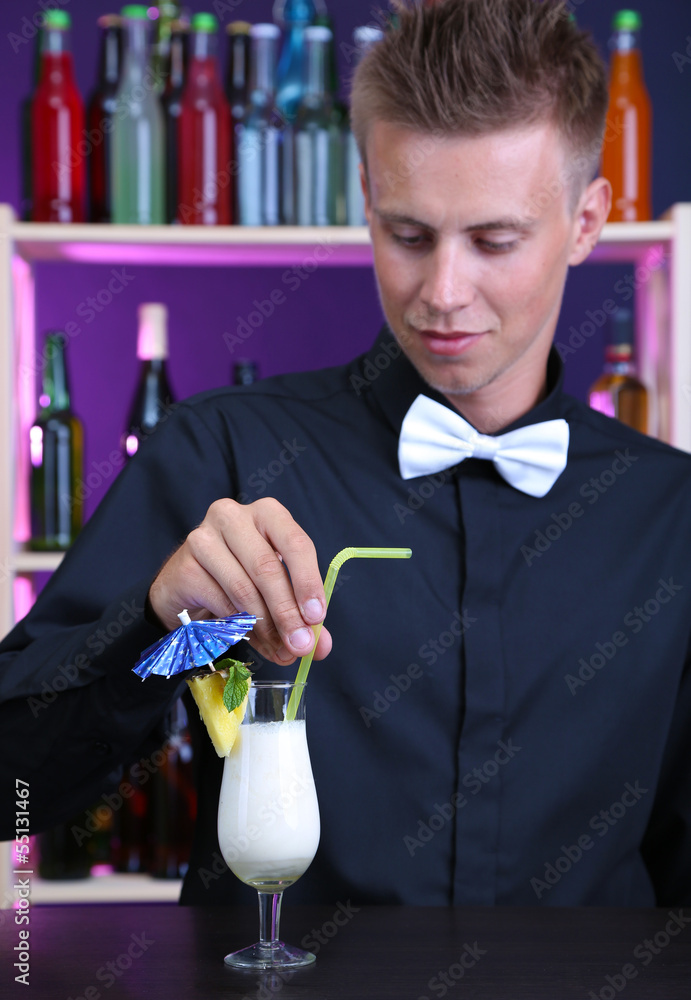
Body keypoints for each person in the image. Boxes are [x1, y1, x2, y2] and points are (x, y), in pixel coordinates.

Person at [1, 0, 690, 908]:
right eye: (408, 236)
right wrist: (159, 630)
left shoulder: (669, 515)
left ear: (588, 221)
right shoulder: (224, 453)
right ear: (364, 197)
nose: (442, 292)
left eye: (494, 240)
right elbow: (15, 791)